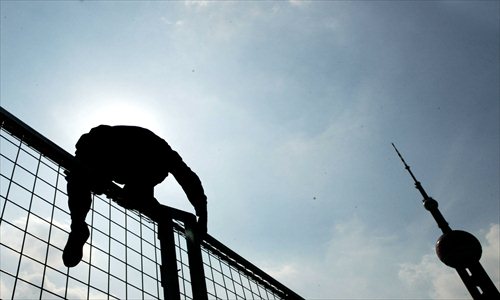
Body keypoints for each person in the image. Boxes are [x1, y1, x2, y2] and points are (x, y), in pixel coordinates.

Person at [63, 125, 208, 268]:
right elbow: (188, 178)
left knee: (83, 178)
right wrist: (202, 214)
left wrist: (202, 214)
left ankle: (81, 222)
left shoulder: (161, 156)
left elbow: (188, 179)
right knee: (79, 177)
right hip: (114, 154)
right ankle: (79, 225)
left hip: (130, 160)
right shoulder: (102, 141)